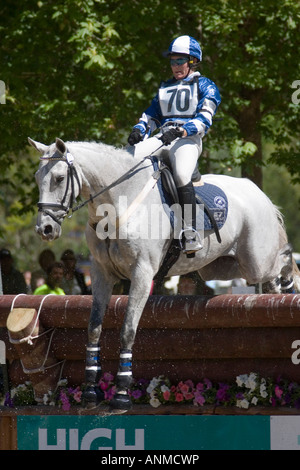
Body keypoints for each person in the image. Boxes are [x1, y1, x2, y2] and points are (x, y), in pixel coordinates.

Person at [127, 35, 221, 254]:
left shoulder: (205, 85)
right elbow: (152, 115)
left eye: (180, 61)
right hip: (163, 138)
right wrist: (139, 129)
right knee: (127, 158)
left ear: (192, 61)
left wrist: (180, 130)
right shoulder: (165, 87)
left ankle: (190, 231)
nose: (176, 66)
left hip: (188, 140)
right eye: (173, 61)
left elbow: (205, 118)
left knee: (180, 175)